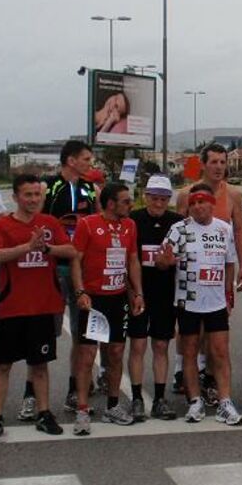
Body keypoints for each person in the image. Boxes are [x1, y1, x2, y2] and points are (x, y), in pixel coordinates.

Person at [0, 174, 78, 439]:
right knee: (3, 365)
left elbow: (70, 250)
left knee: (40, 365)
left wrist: (47, 249)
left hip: (43, 307)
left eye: (37, 195)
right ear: (15, 197)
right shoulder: (2, 224)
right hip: (12, 307)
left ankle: (44, 414)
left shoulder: (50, 223)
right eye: (28, 195)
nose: (34, 199)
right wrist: (27, 246)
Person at [158, 183, 242, 425]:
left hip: (216, 303)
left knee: (220, 352)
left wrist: (228, 295)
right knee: (190, 352)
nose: (197, 206)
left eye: (202, 201)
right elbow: (162, 262)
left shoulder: (224, 229)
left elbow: (229, 264)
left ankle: (225, 402)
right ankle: (195, 401)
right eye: (193, 203)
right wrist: (165, 262)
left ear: (212, 203)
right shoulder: (178, 229)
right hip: (188, 302)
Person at [174, 143, 242, 403]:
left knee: (216, 329)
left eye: (222, 162)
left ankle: (210, 377)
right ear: (203, 164)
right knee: (190, 330)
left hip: (218, 271)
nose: (218, 167)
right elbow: (178, 231)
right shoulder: (186, 194)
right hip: (190, 273)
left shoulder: (233, 195)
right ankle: (182, 369)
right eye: (213, 162)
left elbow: (239, 231)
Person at [68, 182, 143, 434]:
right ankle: (82, 410)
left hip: (118, 298)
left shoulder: (129, 225)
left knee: (116, 353)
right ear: (110, 203)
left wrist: (138, 292)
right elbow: (76, 260)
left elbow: (133, 260)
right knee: (88, 355)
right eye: (125, 201)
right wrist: (80, 292)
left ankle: (112, 405)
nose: (130, 205)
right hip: (94, 300)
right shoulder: (88, 224)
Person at [42, 140, 97, 418]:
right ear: (71, 160)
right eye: (86, 159)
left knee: (79, 333)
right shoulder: (50, 187)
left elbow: (97, 222)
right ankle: (31, 393)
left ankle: (75, 389)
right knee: (43, 332)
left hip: (81, 270)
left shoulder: (90, 188)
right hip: (53, 268)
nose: (90, 163)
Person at [125, 174, 183, 422]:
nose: (159, 203)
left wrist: (171, 262)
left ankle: (159, 398)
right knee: (138, 345)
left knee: (161, 345)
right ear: (146, 197)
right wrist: (132, 291)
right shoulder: (133, 220)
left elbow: (185, 256)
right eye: (154, 198)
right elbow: (127, 258)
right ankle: (137, 397)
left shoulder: (177, 223)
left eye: (163, 199)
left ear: (169, 199)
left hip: (165, 293)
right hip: (139, 292)